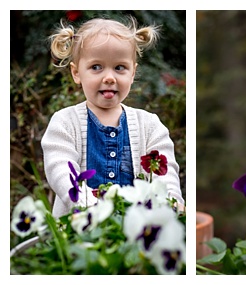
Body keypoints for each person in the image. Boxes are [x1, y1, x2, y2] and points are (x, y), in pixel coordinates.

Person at [42, 17, 184, 217]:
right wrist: (86, 206)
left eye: (119, 68)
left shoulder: (150, 125)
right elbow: (61, 171)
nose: (109, 77)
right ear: (76, 73)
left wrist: (171, 202)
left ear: (132, 73)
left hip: (138, 232)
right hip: (79, 229)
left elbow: (165, 173)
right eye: (96, 67)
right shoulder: (65, 122)